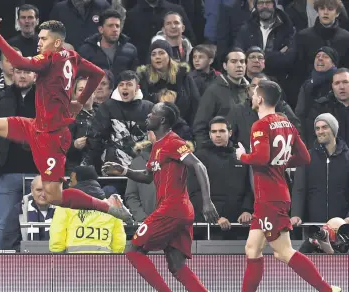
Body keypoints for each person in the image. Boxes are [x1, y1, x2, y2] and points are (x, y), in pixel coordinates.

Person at [0, 12, 133, 223]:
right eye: (39, 37)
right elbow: (97, 73)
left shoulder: (48, 60)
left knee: (54, 196)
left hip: (52, 137)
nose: (39, 42)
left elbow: (17, 61)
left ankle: (107, 206)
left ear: (57, 42)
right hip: (37, 125)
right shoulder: (72, 56)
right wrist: (80, 101)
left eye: (44, 39)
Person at [235, 80, 341, 292]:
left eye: (254, 93)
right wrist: (281, 162)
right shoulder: (287, 124)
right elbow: (305, 157)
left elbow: (261, 158)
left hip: (269, 198)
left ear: (261, 99)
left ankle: (326, 289)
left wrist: (243, 156)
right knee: (252, 249)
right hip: (273, 195)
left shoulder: (260, 125)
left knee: (283, 252)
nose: (252, 97)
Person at [102, 102, 219, 292]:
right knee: (176, 266)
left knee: (133, 249)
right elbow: (148, 176)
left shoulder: (174, 142)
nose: (148, 116)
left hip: (172, 208)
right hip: (177, 210)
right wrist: (125, 170)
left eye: (153, 113)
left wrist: (207, 202)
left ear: (162, 119)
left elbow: (199, 166)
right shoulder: (157, 146)